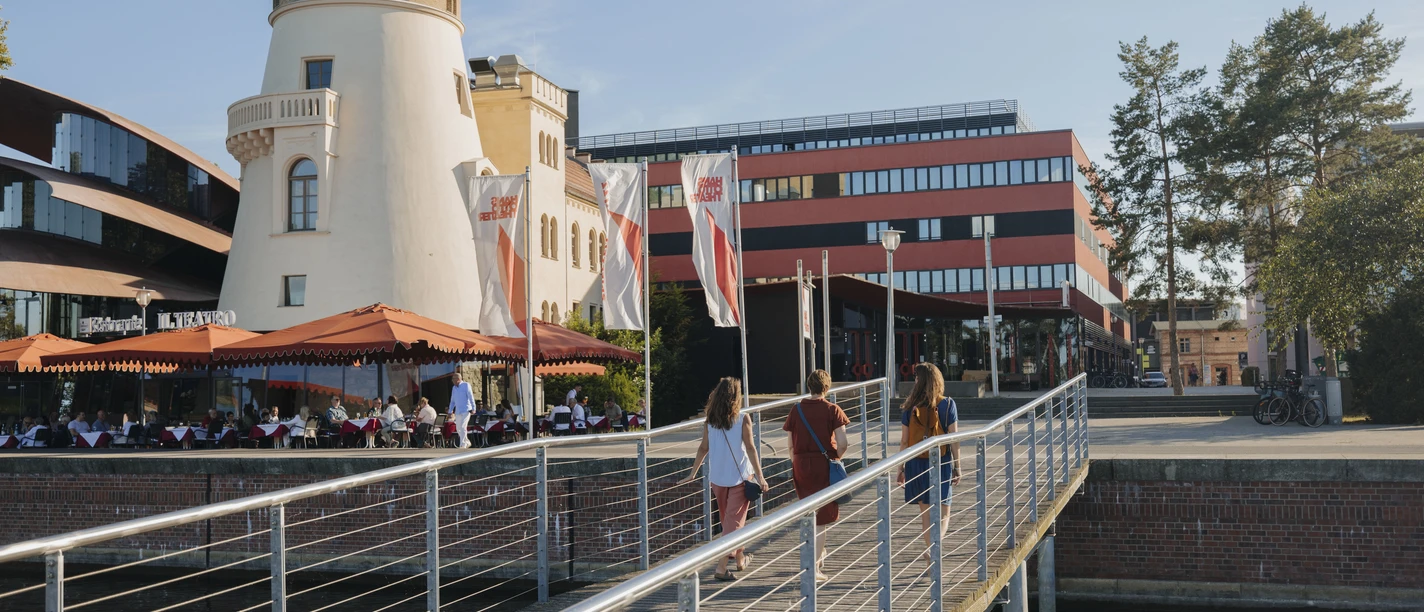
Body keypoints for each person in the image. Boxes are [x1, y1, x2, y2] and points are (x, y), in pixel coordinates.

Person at [681, 378, 768, 581]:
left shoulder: (710, 420)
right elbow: (751, 448)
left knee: (730, 523)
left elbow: (703, 448)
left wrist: (693, 473)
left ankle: (740, 559)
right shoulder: (743, 418)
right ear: (735, 397)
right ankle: (721, 568)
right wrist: (761, 477)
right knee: (733, 525)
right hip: (739, 478)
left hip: (718, 479)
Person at [783, 369, 851, 581]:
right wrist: (836, 458)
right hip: (823, 464)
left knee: (809, 512)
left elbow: (790, 445)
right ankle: (813, 567)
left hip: (801, 464)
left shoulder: (796, 410)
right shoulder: (833, 409)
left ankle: (818, 556)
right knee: (821, 518)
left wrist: (797, 463)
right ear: (827, 386)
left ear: (809, 385)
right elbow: (843, 443)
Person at [896, 363, 961, 565]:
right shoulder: (947, 404)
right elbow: (954, 438)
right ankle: (933, 551)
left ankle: (931, 553)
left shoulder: (909, 407)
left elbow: (905, 441)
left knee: (925, 514)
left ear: (919, 382)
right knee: (944, 512)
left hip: (916, 463)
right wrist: (958, 466)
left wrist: (901, 468)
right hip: (940, 463)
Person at [448, 372, 476, 449]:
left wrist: (474, 408)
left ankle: (462, 444)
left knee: (463, 427)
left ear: (458, 379)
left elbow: (471, 397)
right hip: (458, 411)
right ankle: (467, 441)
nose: (452, 380)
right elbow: (452, 400)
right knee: (458, 428)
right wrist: (450, 411)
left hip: (466, 410)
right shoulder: (454, 388)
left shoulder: (466, 385)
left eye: (454, 379)